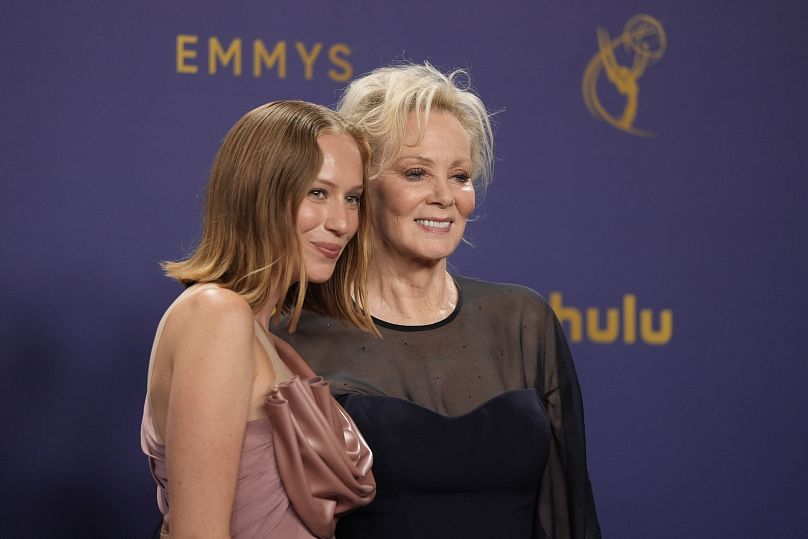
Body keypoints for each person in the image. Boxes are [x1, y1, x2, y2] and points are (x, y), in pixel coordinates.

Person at [275, 64, 602, 538]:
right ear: (363, 188)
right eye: (416, 173)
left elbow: (568, 515)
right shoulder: (294, 337)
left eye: (460, 175)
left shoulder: (523, 322)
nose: (445, 197)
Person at [140, 100, 377, 538]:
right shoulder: (216, 315)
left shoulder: (266, 333)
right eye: (317, 193)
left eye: (353, 199)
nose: (342, 222)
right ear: (260, 192)